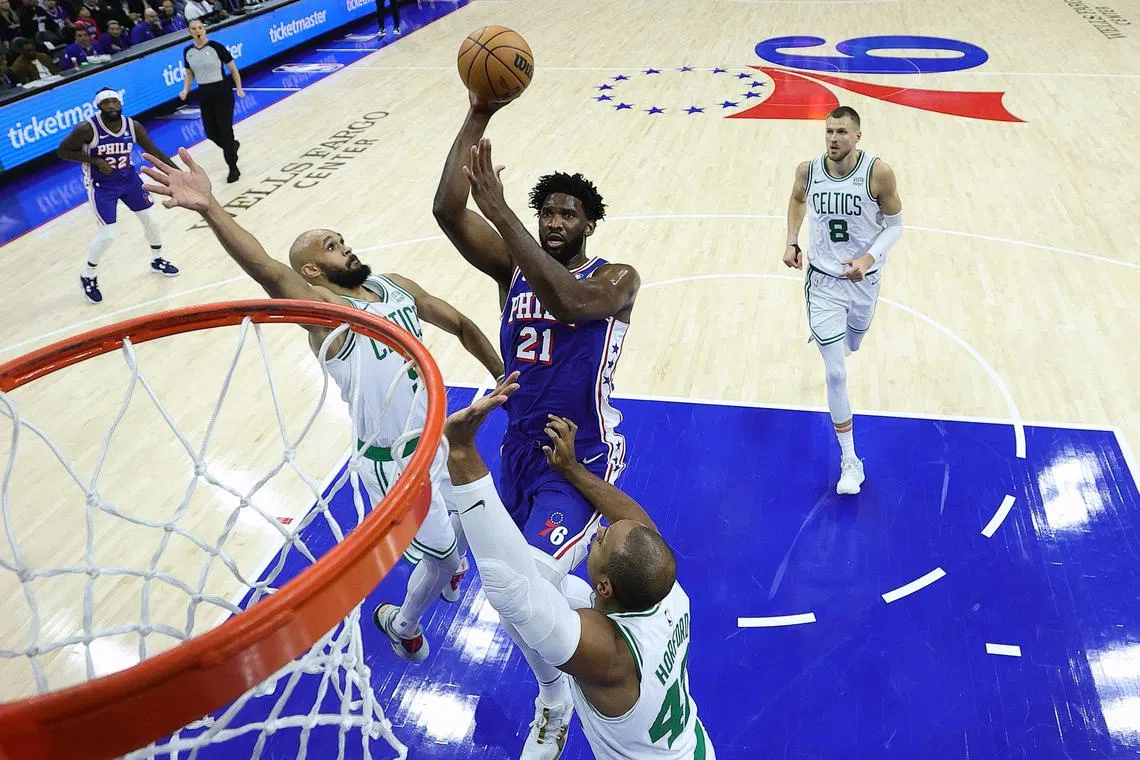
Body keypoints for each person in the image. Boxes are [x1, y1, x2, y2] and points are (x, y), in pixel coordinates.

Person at [139, 146, 506, 663]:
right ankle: (400, 624)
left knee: (468, 526)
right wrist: (211, 208)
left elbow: (464, 324)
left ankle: (445, 561)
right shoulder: (328, 313)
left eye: (344, 241)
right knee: (445, 561)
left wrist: (502, 377)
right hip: (392, 462)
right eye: (333, 248)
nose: (347, 249)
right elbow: (268, 271)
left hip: (438, 438)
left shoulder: (393, 286)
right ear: (313, 270)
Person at [435, 94, 640, 757]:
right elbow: (445, 210)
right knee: (518, 587)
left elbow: (571, 302)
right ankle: (576, 622)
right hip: (517, 448)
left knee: (519, 581)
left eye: (567, 213)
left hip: (576, 459)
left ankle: (558, 695)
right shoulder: (514, 266)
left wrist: (502, 213)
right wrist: (479, 112)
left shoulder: (615, 278)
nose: (554, 220)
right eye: (545, 211)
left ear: (588, 223)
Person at [444, 376, 715, 759]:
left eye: (601, 541)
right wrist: (572, 470)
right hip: (694, 748)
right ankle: (555, 697)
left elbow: (515, 591)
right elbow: (639, 526)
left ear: (605, 587)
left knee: (530, 600)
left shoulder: (609, 657)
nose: (598, 530)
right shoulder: (661, 585)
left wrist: (461, 453)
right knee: (546, 586)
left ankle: (556, 702)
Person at [782, 106, 904, 495]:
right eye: (828, 132)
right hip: (823, 281)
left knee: (854, 342)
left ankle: (834, 336)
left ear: (857, 137)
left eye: (840, 132)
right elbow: (797, 199)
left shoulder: (878, 173)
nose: (833, 139)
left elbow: (896, 225)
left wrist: (868, 259)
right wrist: (791, 240)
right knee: (836, 373)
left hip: (863, 282)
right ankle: (851, 459)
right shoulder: (809, 170)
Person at [56, 88, 180, 304]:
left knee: (151, 219)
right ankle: (88, 275)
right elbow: (63, 151)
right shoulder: (87, 129)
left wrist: (178, 173)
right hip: (101, 186)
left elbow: (154, 151)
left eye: (115, 102)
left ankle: (157, 259)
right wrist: (95, 161)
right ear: (99, 106)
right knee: (108, 235)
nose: (111, 106)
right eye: (106, 103)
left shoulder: (133, 125)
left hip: (129, 180)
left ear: (120, 103)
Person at [180, 19, 243, 182]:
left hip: (222, 91)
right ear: (189, 32)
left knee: (225, 130)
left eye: (200, 28)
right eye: (193, 29)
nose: (197, 31)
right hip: (204, 92)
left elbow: (233, 69)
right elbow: (189, 74)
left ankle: (233, 167)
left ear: (204, 29)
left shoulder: (216, 47)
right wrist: (185, 90)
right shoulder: (188, 51)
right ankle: (231, 146)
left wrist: (239, 88)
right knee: (210, 132)